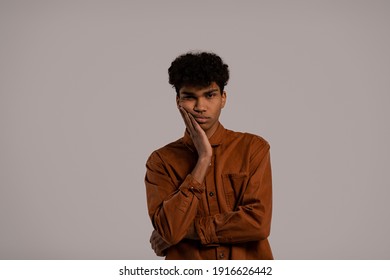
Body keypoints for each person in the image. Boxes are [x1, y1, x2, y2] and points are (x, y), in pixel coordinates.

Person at [145, 51, 273, 260]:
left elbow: (257, 223)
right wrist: (204, 159)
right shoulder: (160, 161)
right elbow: (169, 230)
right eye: (189, 97)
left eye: (210, 95)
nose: (200, 107)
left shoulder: (254, 148)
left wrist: (184, 231)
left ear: (223, 98)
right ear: (178, 101)